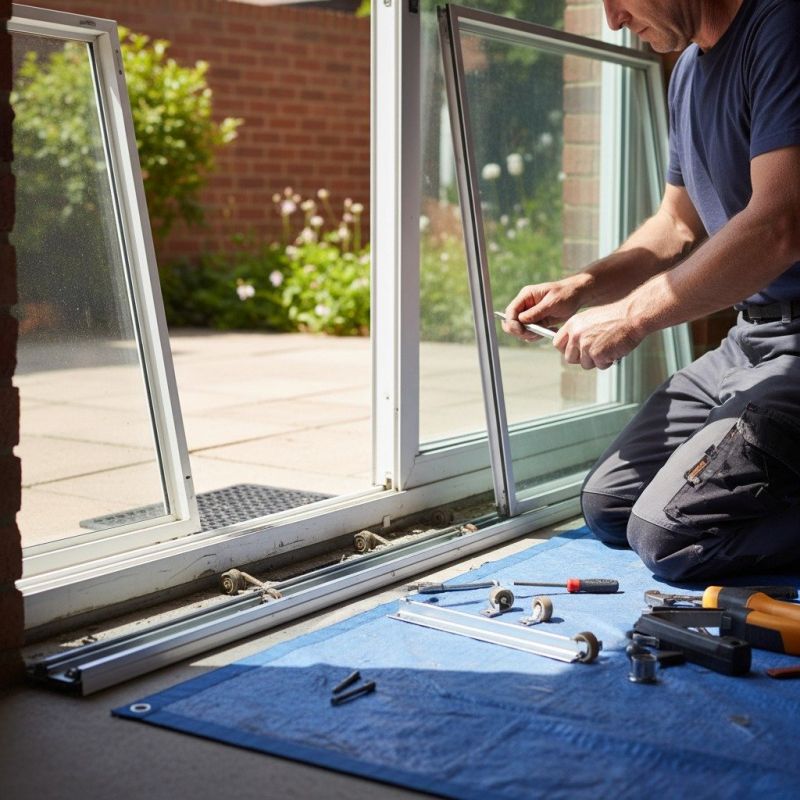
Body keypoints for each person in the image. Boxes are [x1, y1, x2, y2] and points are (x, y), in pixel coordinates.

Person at [501, 0, 800, 581]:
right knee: (609, 506)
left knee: (671, 536)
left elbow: (780, 224)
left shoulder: (783, 27)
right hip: (750, 339)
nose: (613, 20)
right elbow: (677, 225)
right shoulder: (688, 72)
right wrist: (583, 287)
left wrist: (632, 317)